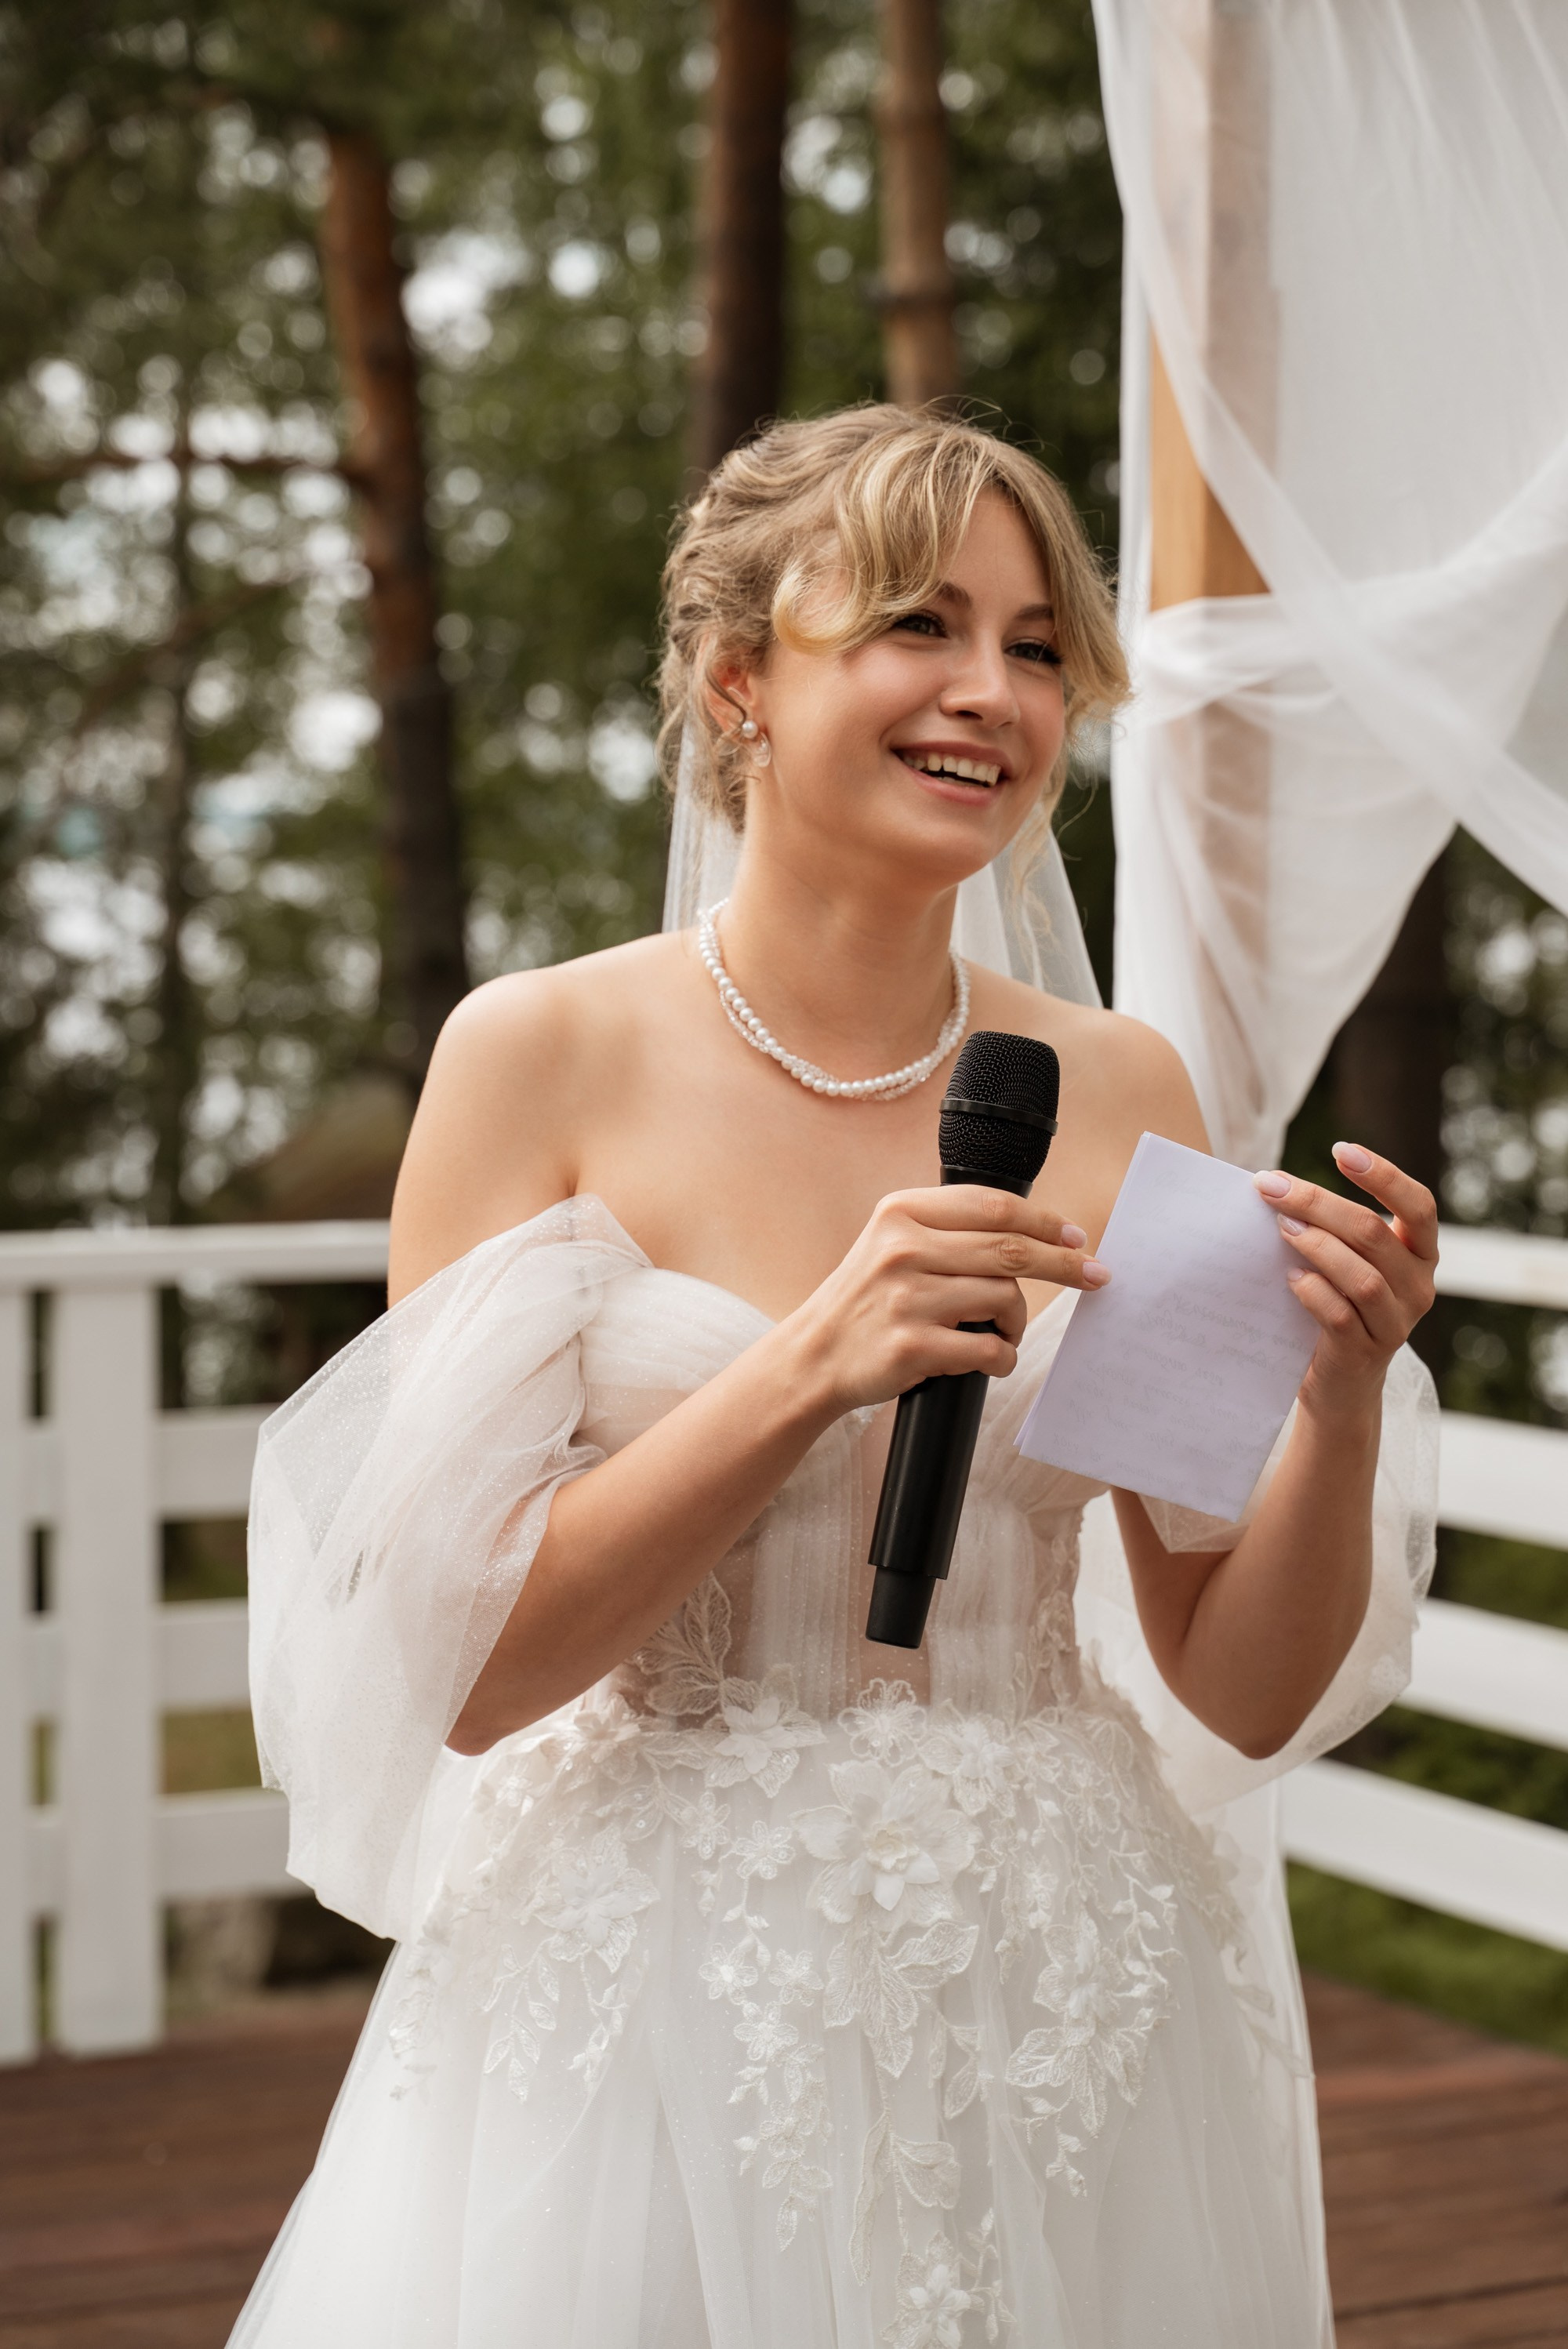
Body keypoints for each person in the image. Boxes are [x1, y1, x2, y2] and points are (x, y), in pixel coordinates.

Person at [230, 405, 1438, 2349]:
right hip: (666, 2004)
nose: (992, 691)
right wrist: (803, 1366)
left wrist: (1342, 1398)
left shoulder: (1124, 1090)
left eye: (1036, 646)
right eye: (917, 624)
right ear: (739, 683)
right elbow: (465, 1679)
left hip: (1069, 1980)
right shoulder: (535, 1058)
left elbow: (1228, 1670)